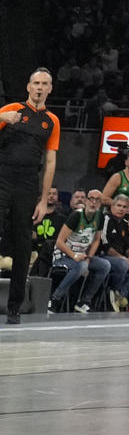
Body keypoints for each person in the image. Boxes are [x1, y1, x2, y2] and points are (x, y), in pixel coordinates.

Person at [0, 66, 59, 324]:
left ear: (49, 89)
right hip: (2, 178)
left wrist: (44, 200)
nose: (39, 87)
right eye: (35, 82)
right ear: (28, 86)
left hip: (27, 186)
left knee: (24, 245)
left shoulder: (52, 121)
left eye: (44, 83)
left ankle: (15, 307)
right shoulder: (11, 109)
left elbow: (50, 161)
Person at [49, 190, 109, 314]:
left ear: (100, 203)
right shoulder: (76, 216)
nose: (93, 202)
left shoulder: (100, 217)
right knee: (81, 267)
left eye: (97, 200)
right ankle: (55, 299)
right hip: (64, 255)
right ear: (86, 200)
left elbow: (96, 240)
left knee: (104, 265)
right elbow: (59, 242)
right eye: (91, 198)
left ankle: (84, 301)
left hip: (82, 255)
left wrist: (88, 257)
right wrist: (74, 255)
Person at [102, 146, 129, 230]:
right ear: (126, 162)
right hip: (111, 218)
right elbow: (103, 199)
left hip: (127, 220)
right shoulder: (117, 177)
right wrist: (123, 204)